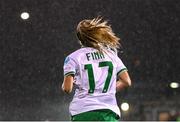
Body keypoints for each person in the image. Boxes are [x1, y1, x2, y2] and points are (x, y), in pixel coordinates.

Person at [61, 17, 132, 121]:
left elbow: (68, 88)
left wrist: (63, 85)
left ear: (80, 39)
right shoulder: (111, 55)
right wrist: (108, 90)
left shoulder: (73, 58)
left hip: (83, 112)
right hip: (108, 112)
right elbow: (126, 81)